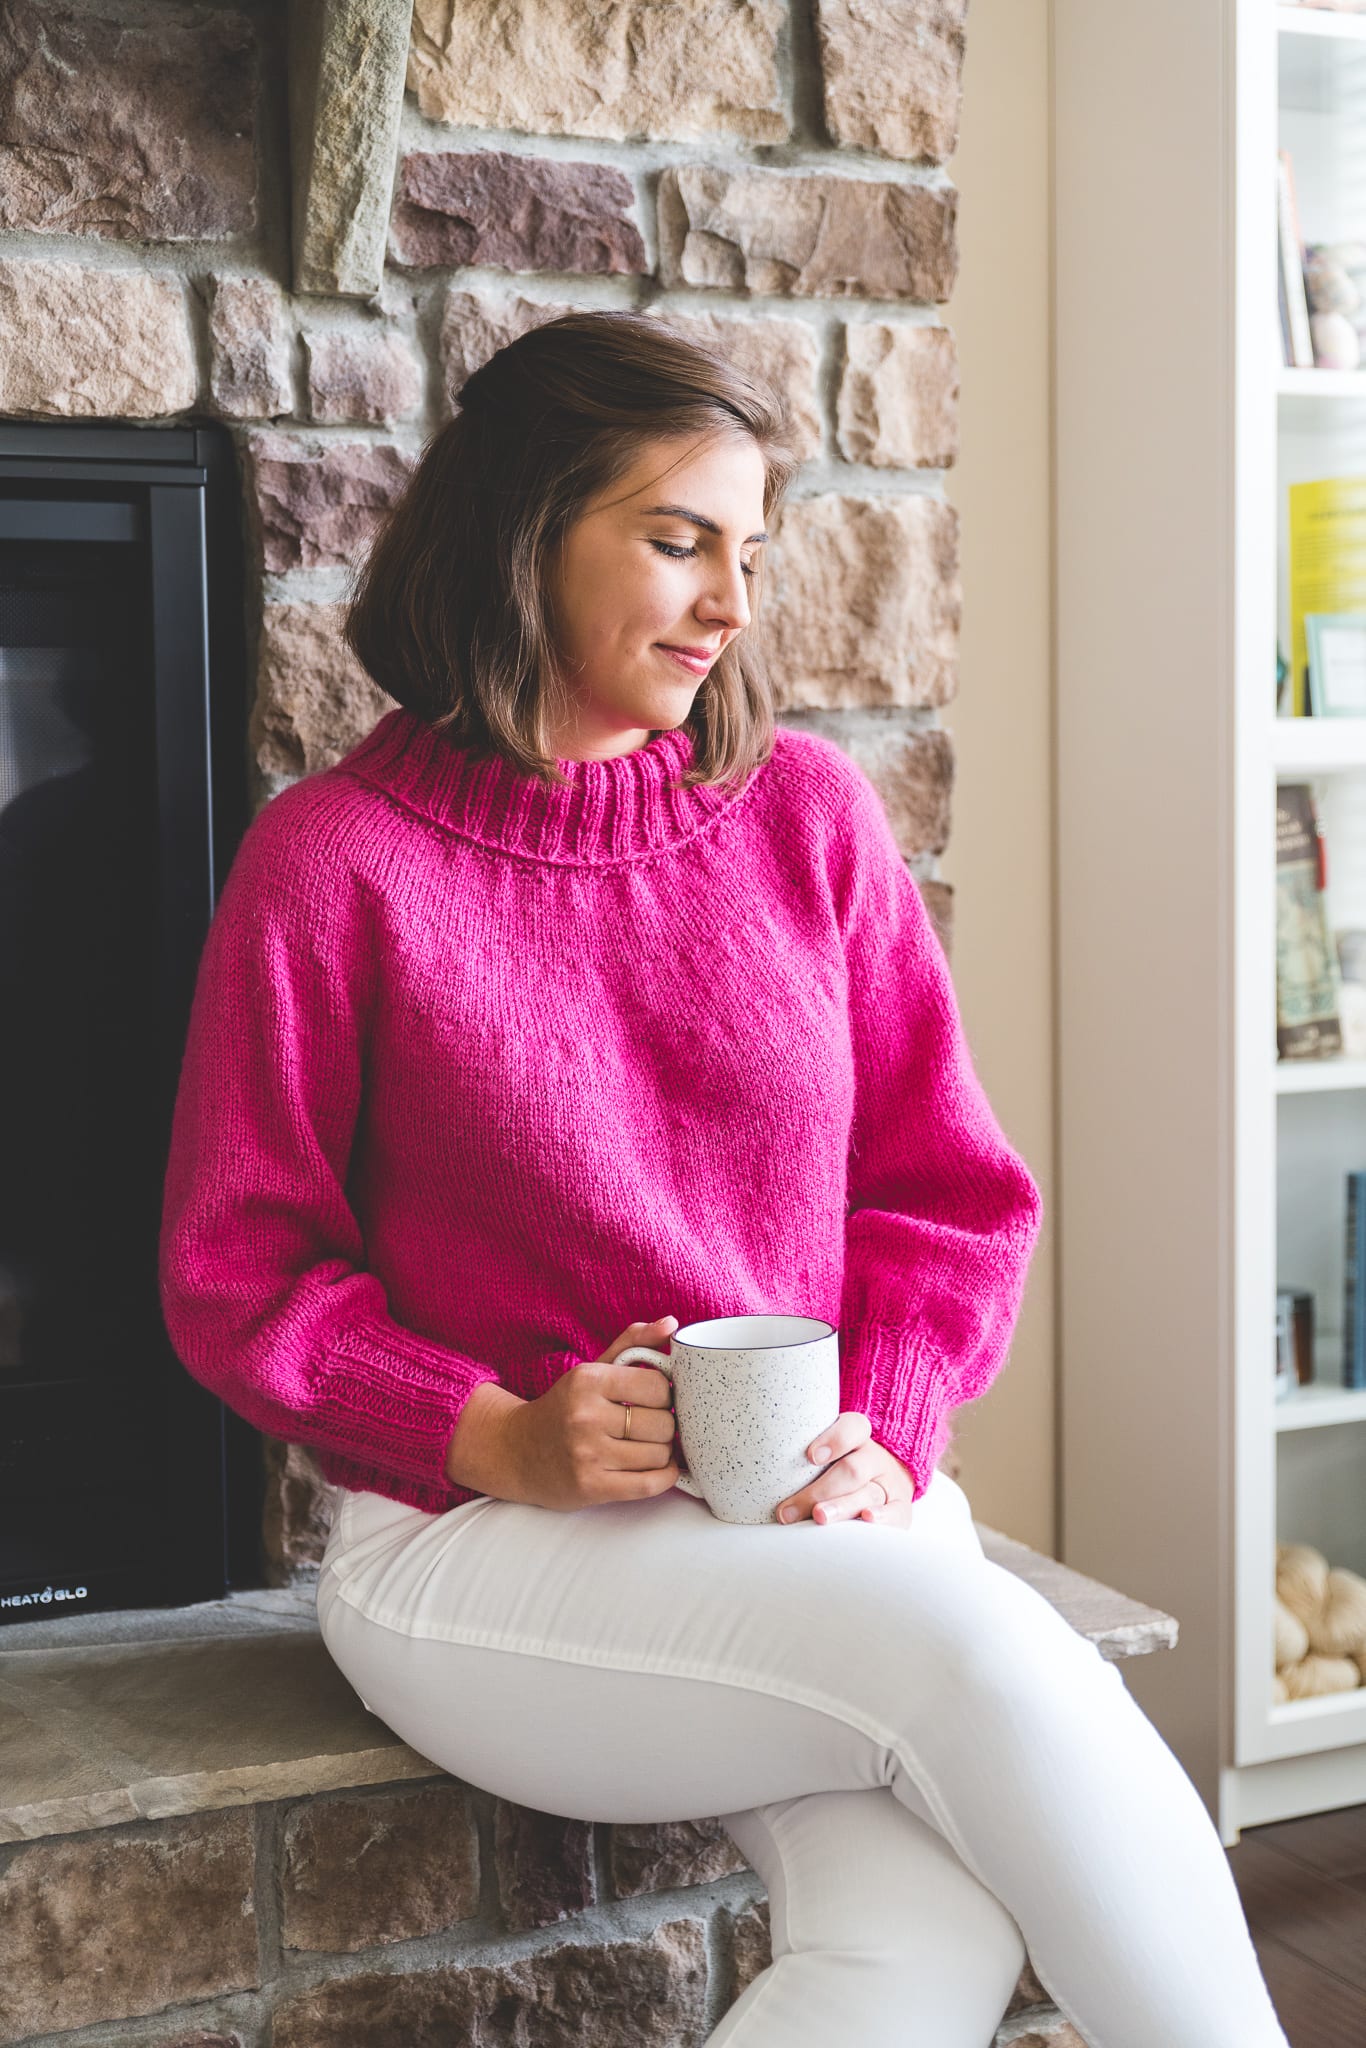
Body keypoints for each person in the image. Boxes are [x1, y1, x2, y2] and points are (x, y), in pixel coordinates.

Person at [158, 309, 1289, 2047]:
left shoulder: (808, 819)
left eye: (750, 550)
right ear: (523, 534)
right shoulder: (337, 866)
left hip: (823, 1515)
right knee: (994, 1666)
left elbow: (946, 1195)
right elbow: (242, 1270)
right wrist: (496, 1432)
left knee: (911, 1946)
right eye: (678, 539)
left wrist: (887, 1425)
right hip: (474, 1545)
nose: (733, 606)